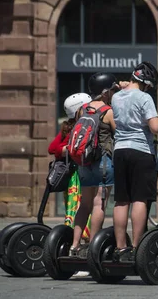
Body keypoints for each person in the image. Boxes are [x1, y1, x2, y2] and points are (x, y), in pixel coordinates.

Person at [111, 62, 158, 261]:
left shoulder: (115, 97)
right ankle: (137, 246)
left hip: (120, 150)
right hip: (140, 150)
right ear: (146, 82)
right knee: (140, 198)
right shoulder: (144, 97)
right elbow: (155, 127)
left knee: (122, 200)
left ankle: (120, 247)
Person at [69, 74, 117, 257]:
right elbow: (117, 133)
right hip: (103, 162)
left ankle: (75, 245)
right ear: (105, 93)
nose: (113, 93)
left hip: (83, 161)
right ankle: (93, 246)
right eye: (111, 90)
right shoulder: (108, 111)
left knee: (84, 204)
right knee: (99, 204)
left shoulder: (82, 110)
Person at [48, 93, 92, 275]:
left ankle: (84, 248)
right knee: (77, 210)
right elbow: (52, 148)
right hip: (76, 176)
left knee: (83, 210)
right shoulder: (71, 127)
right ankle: (79, 250)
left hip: (81, 175)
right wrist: (67, 148)